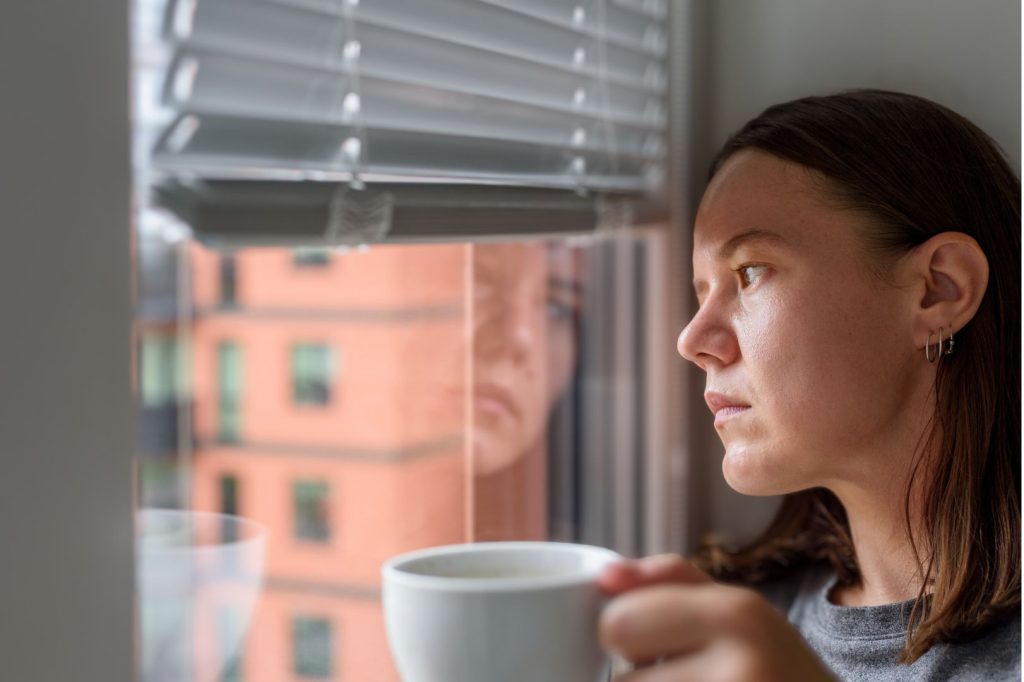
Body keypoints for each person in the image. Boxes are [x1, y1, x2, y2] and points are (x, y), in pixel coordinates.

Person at [598, 89, 1021, 680]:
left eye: (750, 272)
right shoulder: (728, 634)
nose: (691, 340)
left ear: (939, 289)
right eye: (702, 292)